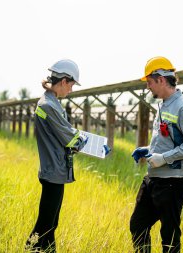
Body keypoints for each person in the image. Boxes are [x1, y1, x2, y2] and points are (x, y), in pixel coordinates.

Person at [26, 59, 109, 252]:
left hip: (56, 170)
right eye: (71, 85)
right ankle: (29, 249)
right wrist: (97, 147)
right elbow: (70, 138)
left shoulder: (51, 103)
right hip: (53, 171)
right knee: (45, 226)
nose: (71, 90)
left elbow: (67, 132)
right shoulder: (48, 106)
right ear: (63, 80)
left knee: (50, 225)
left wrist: (83, 140)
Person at [130, 56, 183, 253]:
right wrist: (149, 150)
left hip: (172, 182)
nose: (148, 88)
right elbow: (168, 138)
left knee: (169, 238)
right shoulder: (163, 104)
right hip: (153, 179)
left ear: (161, 79)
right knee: (138, 225)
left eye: (149, 83)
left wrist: (163, 158)